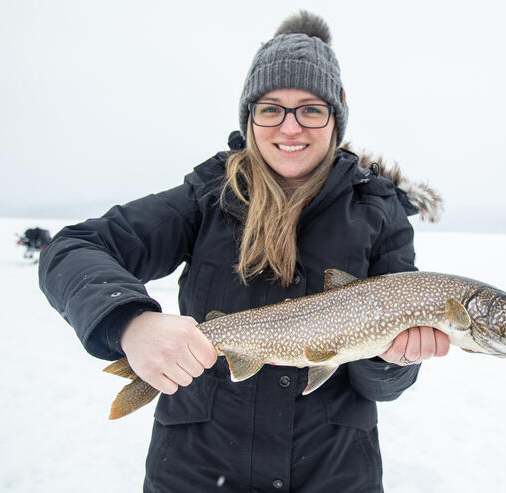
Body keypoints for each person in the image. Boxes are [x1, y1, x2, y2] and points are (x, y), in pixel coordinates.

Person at [39, 10, 447, 493]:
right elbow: (74, 248)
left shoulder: (379, 214)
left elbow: (381, 387)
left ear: (335, 117)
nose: (290, 127)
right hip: (195, 474)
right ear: (249, 117)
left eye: (311, 108)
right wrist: (130, 321)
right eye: (271, 108)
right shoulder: (207, 197)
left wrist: (392, 361)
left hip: (332, 475)